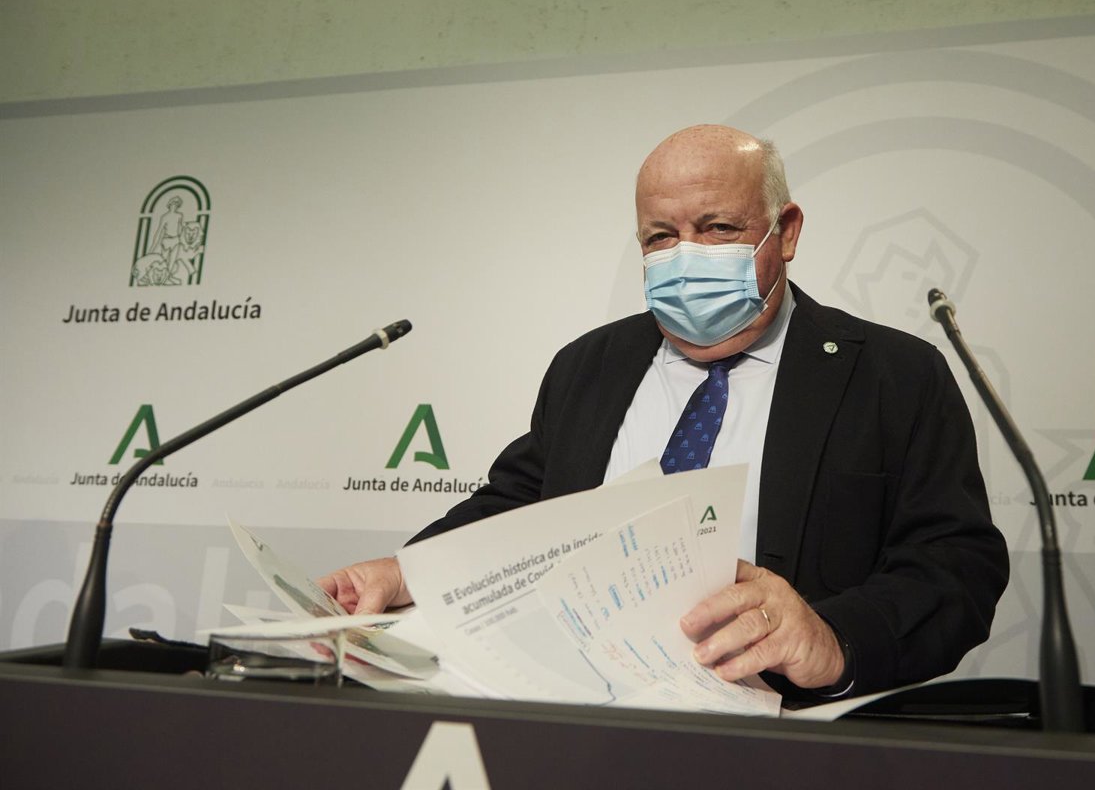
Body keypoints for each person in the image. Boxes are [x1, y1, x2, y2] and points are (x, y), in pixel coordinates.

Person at [319, 124, 1009, 701]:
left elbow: (956, 567)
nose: (686, 256)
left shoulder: (893, 375)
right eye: (660, 236)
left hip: (782, 740)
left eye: (718, 228)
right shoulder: (590, 365)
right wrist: (409, 572)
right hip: (574, 719)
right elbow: (518, 506)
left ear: (786, 230)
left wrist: (832, 640)